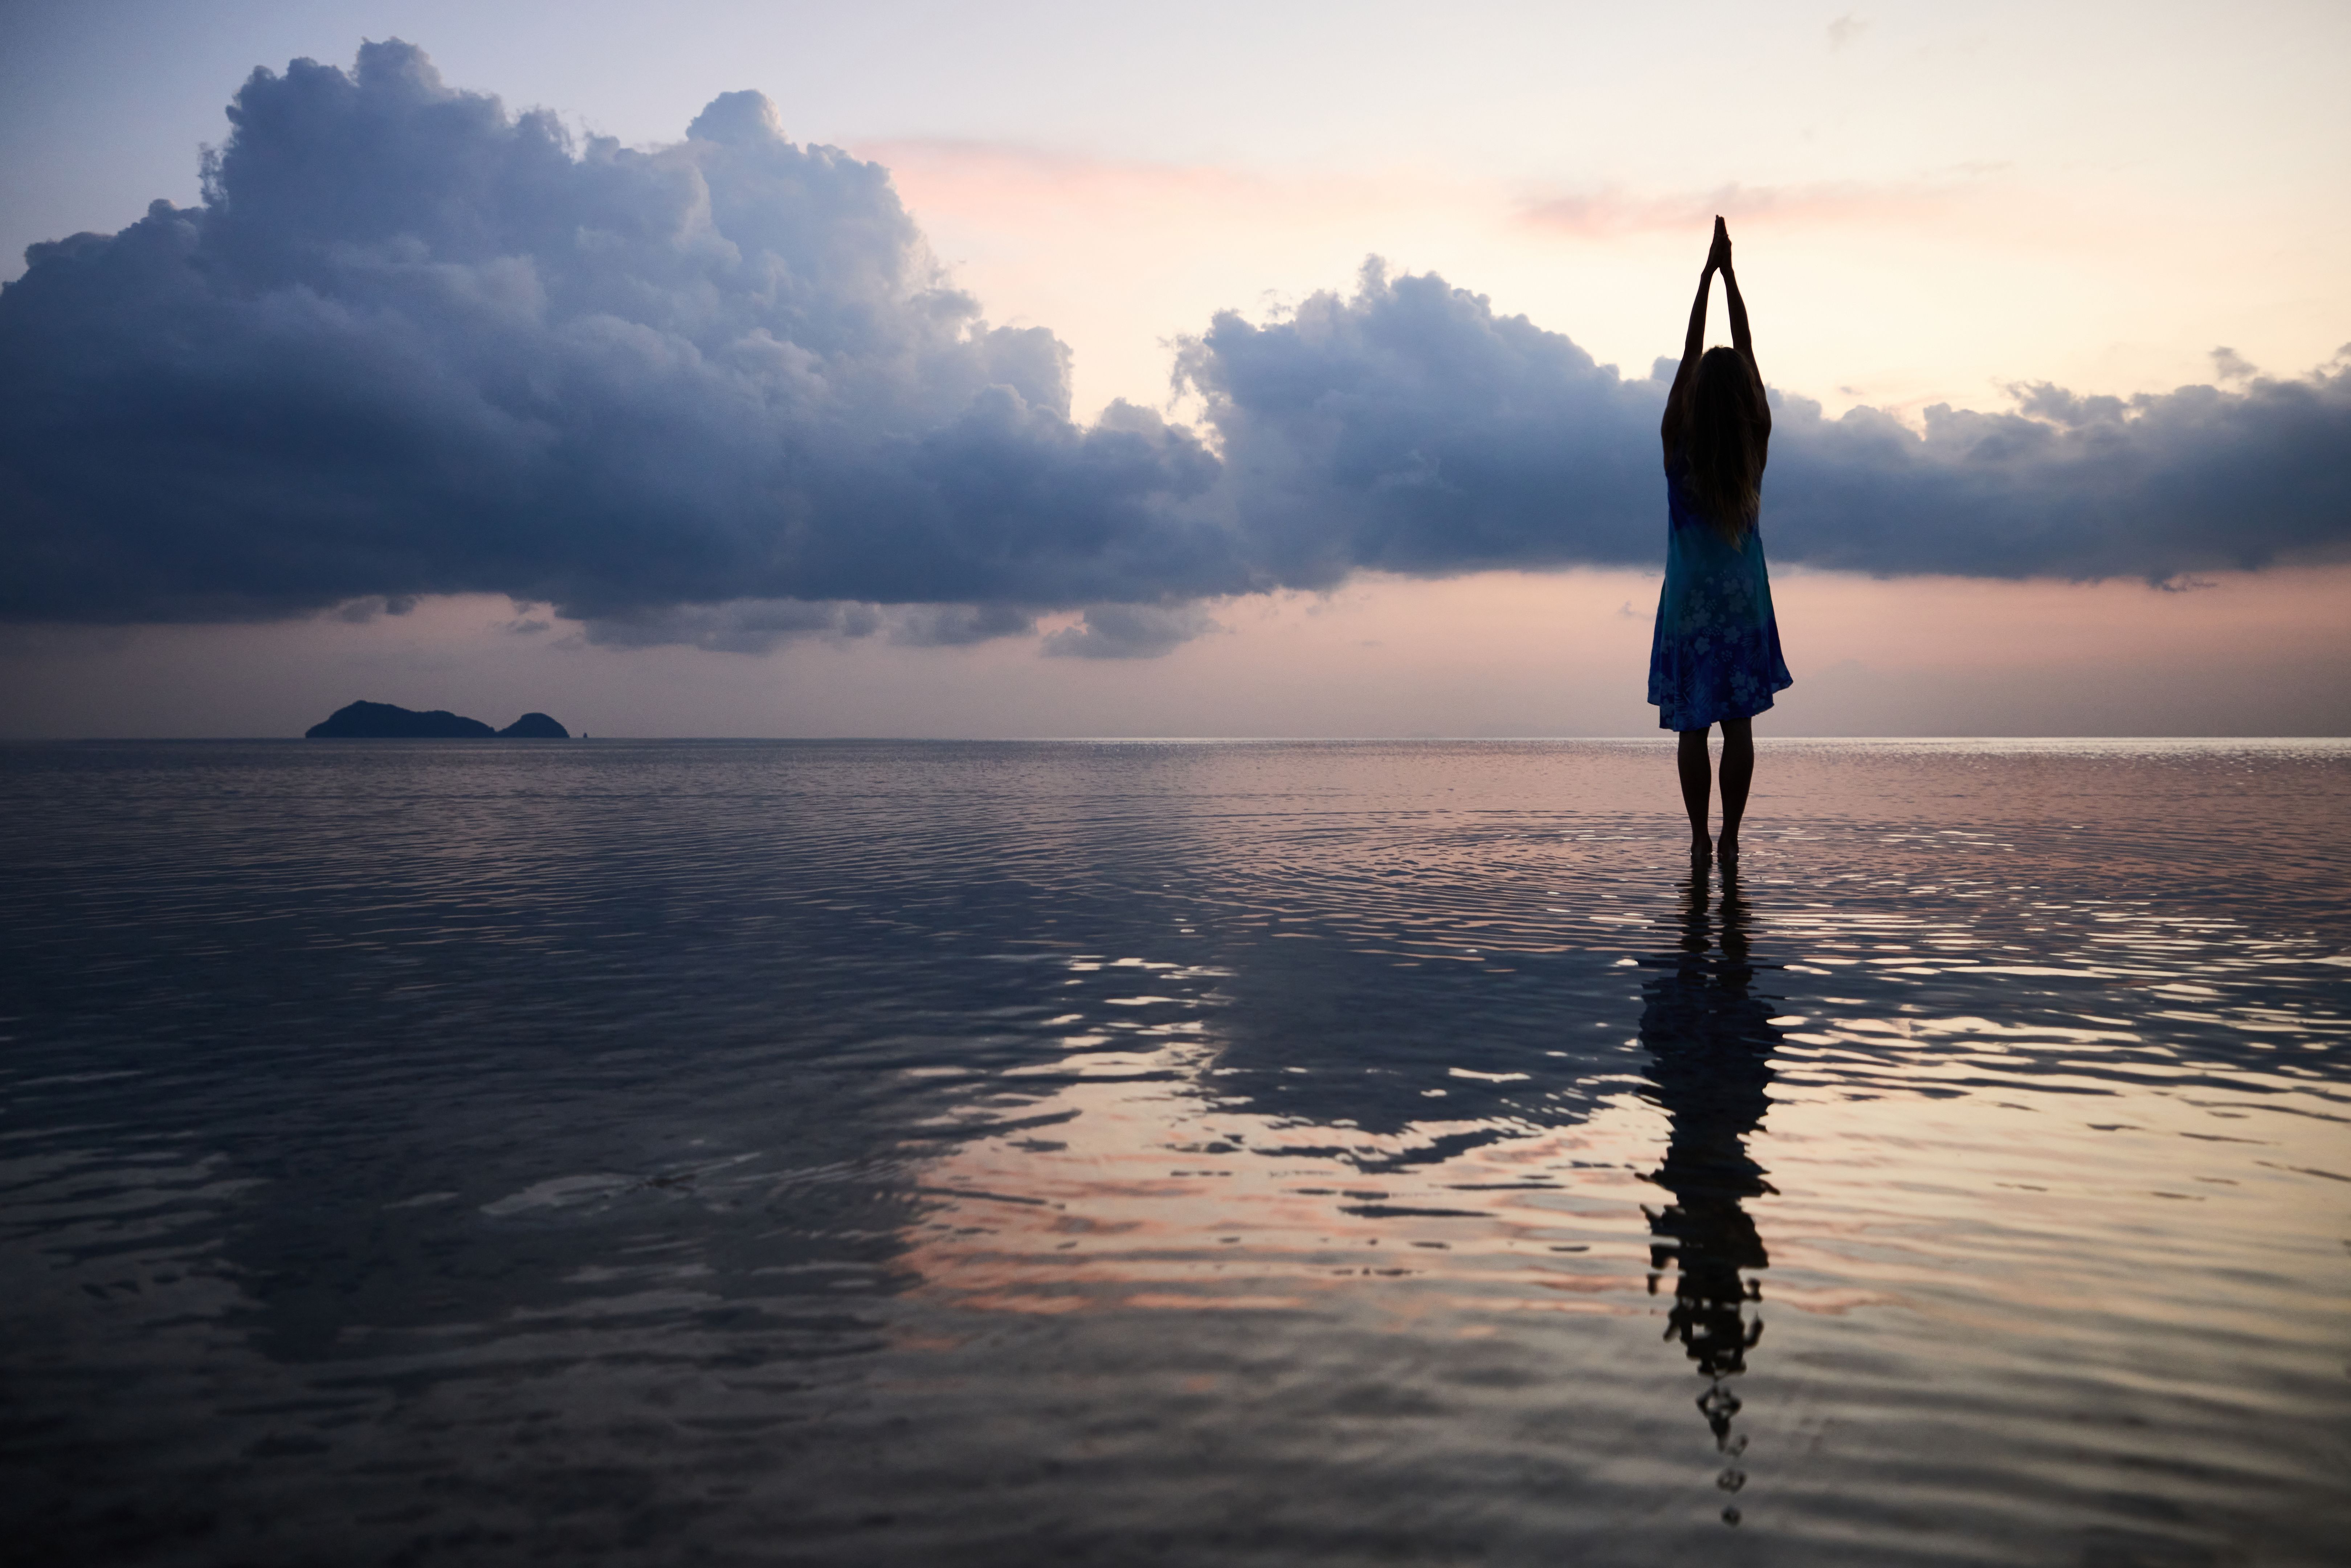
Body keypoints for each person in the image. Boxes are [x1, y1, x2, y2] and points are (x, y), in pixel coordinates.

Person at [1650, 217, 1793, 865]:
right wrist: (1731, 277)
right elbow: (1751, 357)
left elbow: (1686, 362)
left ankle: (1696, 840)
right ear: (1741, 400)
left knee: (1691, 727)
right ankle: (1732, 837)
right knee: (1737, 724)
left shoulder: (1676, 449)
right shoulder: (1752, 451)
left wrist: (1702, 281)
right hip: (1740, 603)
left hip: (1688, 605)